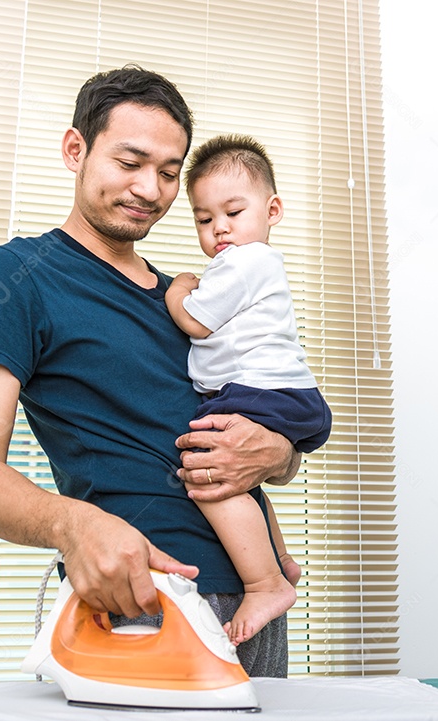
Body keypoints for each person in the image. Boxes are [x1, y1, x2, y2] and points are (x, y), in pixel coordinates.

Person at [0, 66, 300, 677]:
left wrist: (277, 453)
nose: (149, 189)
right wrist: (73, 525)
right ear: (74, 149)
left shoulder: (192, 304)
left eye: (168, 173)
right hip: (139, 599)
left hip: (256, 600)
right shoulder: (18, 276)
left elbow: (264, 433)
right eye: (129, 162)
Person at [164, 135, 331, 645]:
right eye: (204, 218)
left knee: (211, 477)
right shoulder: (250, 265)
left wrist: (178, 289)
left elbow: (195, 322)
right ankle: (279, 560)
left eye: (233, 211)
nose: (219, 229)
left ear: (272, 209)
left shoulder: (245, 261)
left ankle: (264, 584)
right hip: (281, 393)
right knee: (244, 478)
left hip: (261, 389)